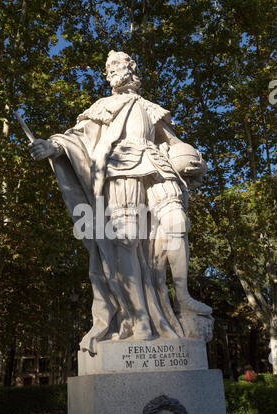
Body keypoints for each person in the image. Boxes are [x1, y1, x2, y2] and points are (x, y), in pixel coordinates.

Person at [28, 50, 212, 353]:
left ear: (131, 67)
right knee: (126, 242)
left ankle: (183, 297)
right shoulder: (102, 107)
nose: (110, 70)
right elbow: (77, 138)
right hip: (119, 169)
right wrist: (53, 146)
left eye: (116, 64)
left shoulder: (148, 107)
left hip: (157, 166)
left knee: (177, 224)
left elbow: (174, 143)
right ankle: (138, 317)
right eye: (107, 67)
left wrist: (195, 161)